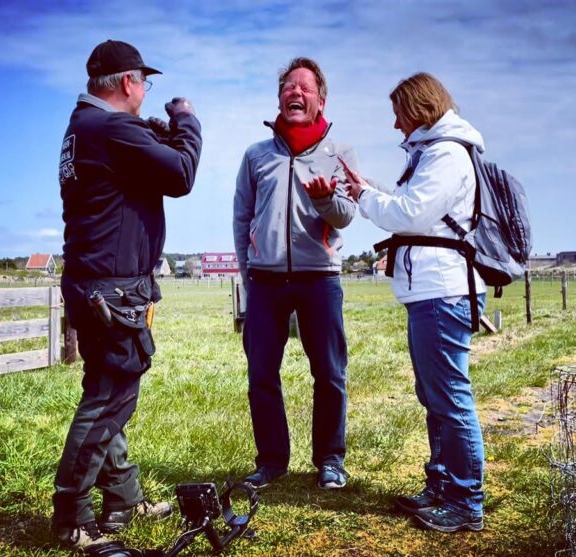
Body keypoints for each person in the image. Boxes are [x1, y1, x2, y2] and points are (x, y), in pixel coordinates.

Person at [53, 39, 202, 553]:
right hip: (110, 289)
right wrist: (185, 119)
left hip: (93, 282)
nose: (147, 91)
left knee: (106, 390)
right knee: (110, 397)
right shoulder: (113, 127)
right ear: (126, 83)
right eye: (145, 81)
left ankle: (122, 499)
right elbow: (181, 174)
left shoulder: (83, 129)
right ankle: (72, 516)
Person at [338, 72, 487, 532]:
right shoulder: (433, 154)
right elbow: (413, 205)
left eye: (399, 112)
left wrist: (363, 196)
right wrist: (370, 188)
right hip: (431, 290)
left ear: (420, 109)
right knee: (435, 396)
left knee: (450, 397)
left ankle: (466, 502)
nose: (395, 124)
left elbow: (407, 214)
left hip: (442, 291)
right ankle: (442, 484)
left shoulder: (445, 154)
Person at [232, 57, 357, 491]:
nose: (295, 93)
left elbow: (346, 216)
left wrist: (326, 201)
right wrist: (249, 278)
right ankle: (271, 460)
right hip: (265, 281)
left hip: (319, 279)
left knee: (329, 372)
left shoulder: (338, 152)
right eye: (288, 86)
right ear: (279, 98)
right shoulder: (256, 155)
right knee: (261, 374)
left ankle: (330, 460)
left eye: (304, 87)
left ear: (321, 99)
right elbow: (241, 218)